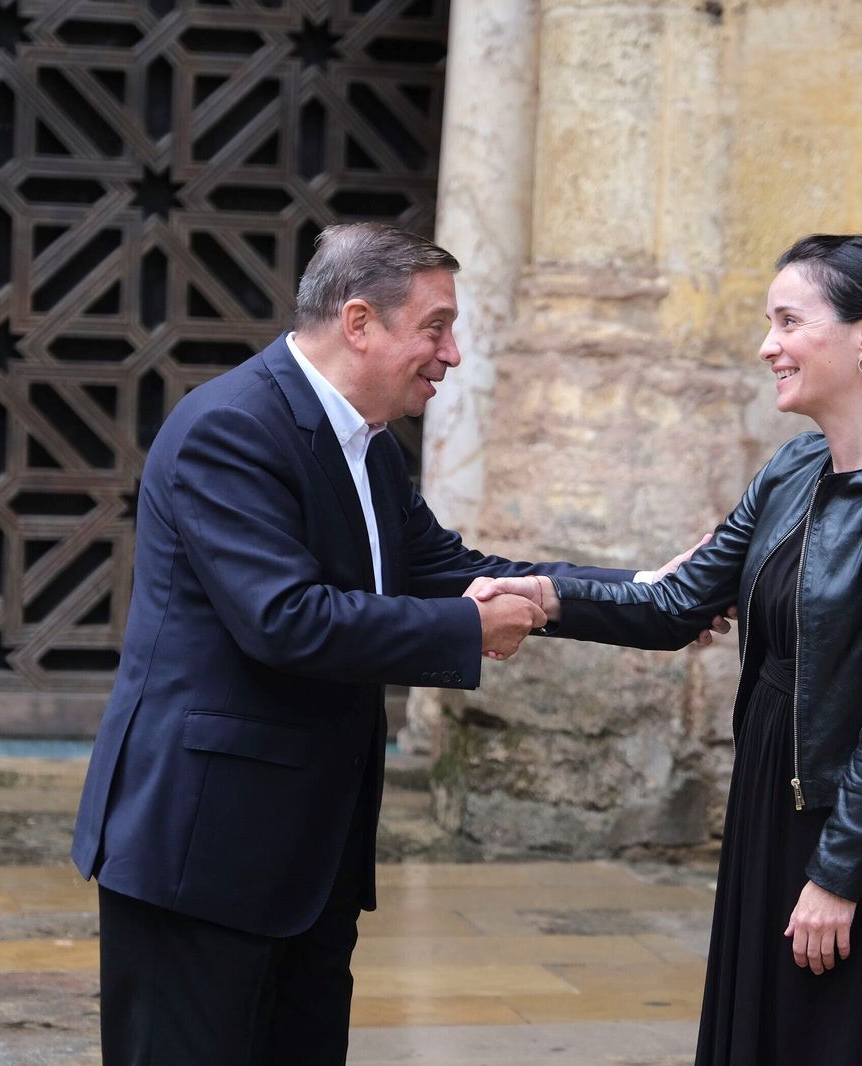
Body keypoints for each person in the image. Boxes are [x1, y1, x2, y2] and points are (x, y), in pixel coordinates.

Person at [71, 222, 721, 1064]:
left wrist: (644, 593)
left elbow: (457, 570)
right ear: (359, 323)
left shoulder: (369, 448)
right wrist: (469, 628)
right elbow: (288, 620)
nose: (451, 356)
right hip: (200, 853)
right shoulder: (228, 429)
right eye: (437, 327)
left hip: (308, 862)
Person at [473, 233, 862, 1064]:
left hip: (857, 823)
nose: (767, 345)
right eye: (767, 322)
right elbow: (680, 601)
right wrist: (543, 599)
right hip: (769, 798)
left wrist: (838, 875)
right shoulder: (792, 468)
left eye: (789, 321)